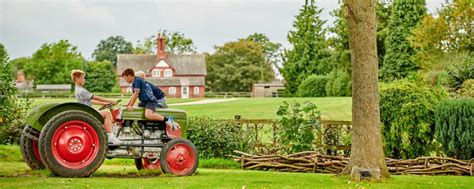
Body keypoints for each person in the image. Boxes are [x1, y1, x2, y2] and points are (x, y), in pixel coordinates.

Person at [71, 69, 121, 144]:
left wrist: (103, 104)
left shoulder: (78, 89)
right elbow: (95, 97)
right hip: (88, 113)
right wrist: (111, 101)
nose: (84, 80)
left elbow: (89, 101)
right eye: (82, 78)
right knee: (107, 113)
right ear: (77, 79)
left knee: (105, 114)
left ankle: (106, 134)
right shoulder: (81, 90)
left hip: (87, 111)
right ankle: (110, 136)